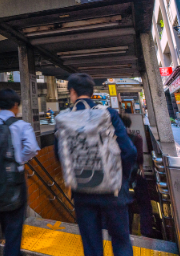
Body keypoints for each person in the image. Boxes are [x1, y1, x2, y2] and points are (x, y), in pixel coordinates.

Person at [55, 74, 136, 256]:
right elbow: (129, 151)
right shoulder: (108, 114)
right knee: (121, 241)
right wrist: (121, 178)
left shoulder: (64, 118)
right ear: (91, 93)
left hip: (82, 191)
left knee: (91, 246)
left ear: (72, 92)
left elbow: (58, 154)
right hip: (112, 190)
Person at [0, 89, 39, 256]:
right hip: (14, 184)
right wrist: (17, 160)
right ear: (15, 105)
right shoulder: (20, 125)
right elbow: (32, 149)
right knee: (14, 229)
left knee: (3, 221)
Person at [121, 114, 153, 238]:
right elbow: (139, 158)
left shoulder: (114, 140)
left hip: (121, 177)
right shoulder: (136, 138)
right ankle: (146, 231)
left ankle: (126, 232)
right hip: (136, 175)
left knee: (125, 205)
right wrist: (141, 172)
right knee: (145, 204)